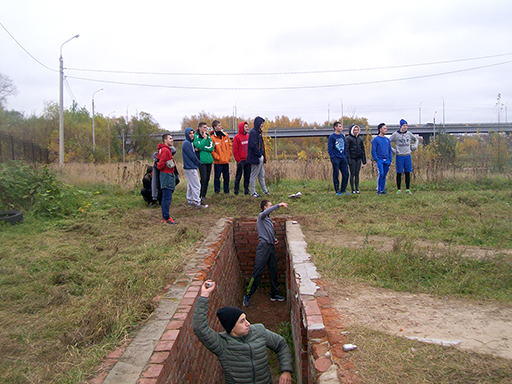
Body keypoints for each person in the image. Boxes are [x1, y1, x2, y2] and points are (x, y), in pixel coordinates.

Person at [193, 281, 293, 384]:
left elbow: (281, 344)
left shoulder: (259, 331)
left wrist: (286, 371)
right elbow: (200, 328)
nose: (248, 323)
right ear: (231, 327)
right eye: (242, 321)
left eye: (245, 319)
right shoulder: (222, 344)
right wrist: (204, 295)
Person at [243, 200, 288, 307]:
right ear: (264, 207)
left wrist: (274, 239)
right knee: (258, 271)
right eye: (270, 206)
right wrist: (278, 205)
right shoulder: (261, 216)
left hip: (270, 246)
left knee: (273, 270)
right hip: (263, 247)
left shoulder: (267, 219)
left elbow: (268, 231)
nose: (271, 207)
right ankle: (248, 295)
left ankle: (274, 294)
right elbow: (264, 214)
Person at [389, 119, 420, 194]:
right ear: (400, 126)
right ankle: (399, 189)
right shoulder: (395, 135)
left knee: (407, 172)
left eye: (406, 125)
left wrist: (414, 146)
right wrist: (393, 150)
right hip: (400, 156)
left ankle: (408, 189)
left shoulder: (409, 134)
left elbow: (416, 139)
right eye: (403, 125)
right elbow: (387, 142)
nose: (405, 127)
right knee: (399, 173)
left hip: (407, 155)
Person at [182, 127, 208, 208]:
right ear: (186, 134)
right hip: (190, 167)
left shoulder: (189, 143)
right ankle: (197, 202)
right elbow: (191, 156)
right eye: (190, 133)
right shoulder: (186, 143)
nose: (192, 135)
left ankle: (190, 200)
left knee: (190, 184)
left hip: (190, 167)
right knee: (197, 185)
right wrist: (199, 163)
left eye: (193, 133)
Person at [156, 133, 177, 224]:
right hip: (166, 175)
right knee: (167, 197)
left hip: (166, 174)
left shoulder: (164, 149)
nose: (172, 140)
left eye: (172, 138)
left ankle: (165, 216)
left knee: (166, 196)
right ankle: (166, 217)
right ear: (165, 140)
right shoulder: (165, 150)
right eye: (170, 138)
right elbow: (160, 164)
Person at [247, 116, 270, 197]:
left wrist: (262, 155)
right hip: (255, 158)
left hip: (259, 157)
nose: (262, 125)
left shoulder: (258, 132)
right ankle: (253, 192)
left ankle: (265, 191)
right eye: (261, 123)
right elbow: (253, 145)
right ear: (258, 124)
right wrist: (259, 155)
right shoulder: (253, 132)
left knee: (261, 174)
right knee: (253, 175)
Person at [327, 121, 350, 195]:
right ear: (335, 127)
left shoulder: (342, 136)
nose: (341, 128)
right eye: (339, 126)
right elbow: (330, 148)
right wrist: (333, 157)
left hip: (342, 157)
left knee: (346, 174)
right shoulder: (332, 137)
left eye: (341, 126)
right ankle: (337, 190)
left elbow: (345, 147)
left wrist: (345, 156)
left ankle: (343, 189)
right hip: (336, 158)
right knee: (336, 174)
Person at [194, 122, 214, 202]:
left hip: (209, 159)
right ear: (200, 128)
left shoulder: (208, 136)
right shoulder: (197, 136)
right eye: (204, 127)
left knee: (208, 178)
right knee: (203, 178)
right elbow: (198, 146)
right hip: (201, 160)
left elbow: (211, 148)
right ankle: (199, 194)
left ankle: (204, 195)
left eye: (206, 127)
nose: (206, 129)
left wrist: (203, 147)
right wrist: (204, 140)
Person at [210, 120, 232, 194]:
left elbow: (229, 146)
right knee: (217, 178)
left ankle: (226, 191)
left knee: (226, 177)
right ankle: (217, 192)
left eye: (220, 125)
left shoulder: (225, 135)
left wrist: (229, 156)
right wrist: (217, 157)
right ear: (215, 127)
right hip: (218, 161)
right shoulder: (212, 138)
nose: (221, 127)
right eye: (219, 126)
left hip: (225, 160)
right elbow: (212, 150)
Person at [371, 123, 393, 195]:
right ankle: (379, 189)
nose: (386, 130)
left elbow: (390, 149)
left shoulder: (387, 140)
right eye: (384, 128)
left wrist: (390, 159)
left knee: (384, 175)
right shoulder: (376, 139)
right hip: (380, 160)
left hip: (387, 160)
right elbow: (373, 150)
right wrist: (376, 159)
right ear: (380, 130)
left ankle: (383, 190)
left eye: (386, 128)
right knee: (381, 173)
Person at [345, 124, 367, 194]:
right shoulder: (348, 138)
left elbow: (362, 149)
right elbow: (347, 150)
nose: (356, 131)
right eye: (355, 130)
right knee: (352, 173)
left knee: (357, 174)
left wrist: (364, 159)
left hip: (358, 158)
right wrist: (348, 159)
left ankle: (357, 188)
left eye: (357, 130)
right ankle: (352, 189)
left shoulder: (360, 138)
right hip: (352, 158)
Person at [233, 121, 251, 195]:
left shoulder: (248, 136)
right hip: (241, 160)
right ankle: (236, 191)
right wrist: (238, 160)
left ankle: (246, 190)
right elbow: (235, 149)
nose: (247, 128)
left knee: (247, 176)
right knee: (238, 176)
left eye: (247, 127)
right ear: (242, 128)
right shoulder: (237, 137)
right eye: (246, 127)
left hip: (248, 160)